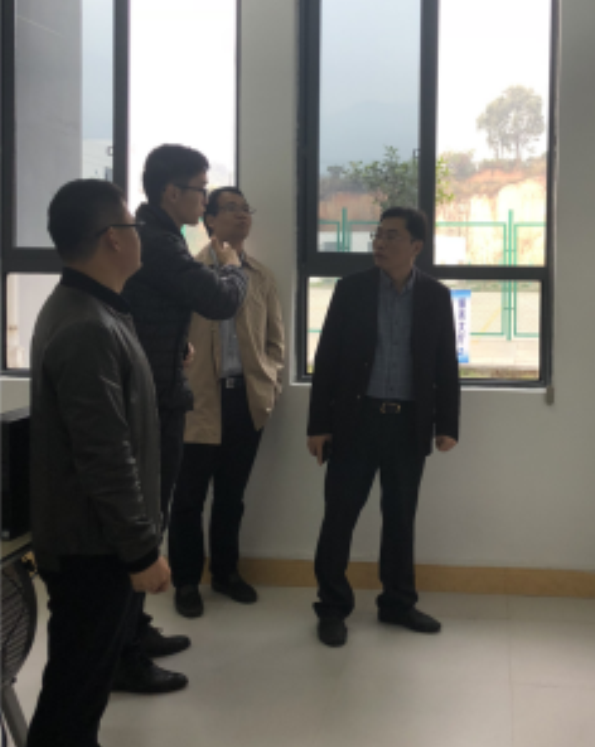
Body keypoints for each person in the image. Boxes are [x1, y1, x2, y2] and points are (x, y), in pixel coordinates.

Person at [27, 180, 170, 747]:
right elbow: (104, 455)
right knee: (73, 691)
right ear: (113, 238)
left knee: (85, 676)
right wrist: (141, 549)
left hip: (92, 537)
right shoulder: (86, 324)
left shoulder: (92, 309)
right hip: (93, 544)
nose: (140, 234)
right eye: (132, 225)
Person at [113, 145, 249, 695]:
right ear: (172, 193)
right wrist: (233, 267)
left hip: (160, 387)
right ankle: (124, 653)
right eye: (200, 188)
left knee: (153, 514)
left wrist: (172, 348)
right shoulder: (160, 243)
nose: (204, 198)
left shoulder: (155, 238)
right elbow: (218, 300)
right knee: (146, 520)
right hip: (151, 402)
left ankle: (134, 629)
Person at [308, 207, 461, 649]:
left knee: (400, 518)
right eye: (377, 234)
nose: (379, 242)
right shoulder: (351, 290)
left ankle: (397, 603)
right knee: (339, 516)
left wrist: (447, 424)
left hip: (408, 424)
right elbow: (327, 359)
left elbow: (445, 365)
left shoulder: (435, 296)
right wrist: (319, 424)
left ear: (416, 246)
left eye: (392, 236)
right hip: (355, 421)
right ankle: (332, 607)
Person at [169, 186, 286, 619]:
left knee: (231, 496)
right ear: (210, 220)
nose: (242, 216)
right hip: (197, 401)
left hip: (246, 400)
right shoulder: (188, 274)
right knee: (188, 499)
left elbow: (276, 341)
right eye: (231, 209)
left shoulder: (261, 277)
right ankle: (185, 581)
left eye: (245, 209)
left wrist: (270, 384)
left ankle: (225, 573)